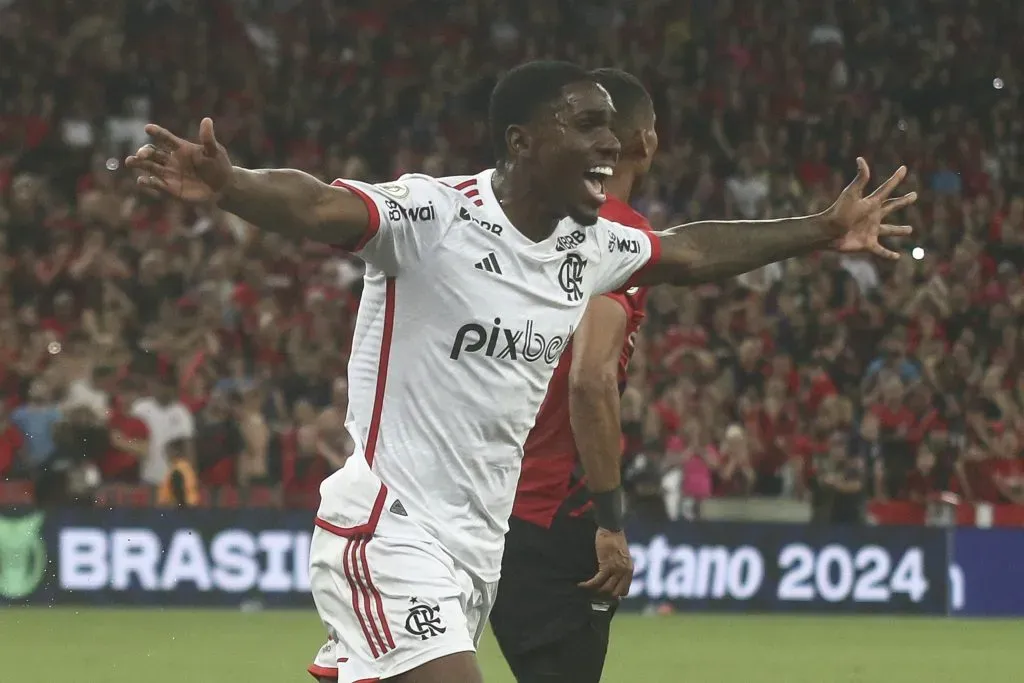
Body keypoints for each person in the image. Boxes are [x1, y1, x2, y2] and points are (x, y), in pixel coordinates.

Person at [127, 60, 915, 683]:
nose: (611, 143)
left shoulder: (590, 245)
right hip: (390, 530)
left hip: (476, 552)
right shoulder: (434, 217)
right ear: (520, 142)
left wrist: (822, 228)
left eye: (613, 126)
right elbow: (323, 208)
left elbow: (693, 251)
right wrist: (231, 186)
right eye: (586, 124)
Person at [488, 68, 657, 683]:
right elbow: (590, 377)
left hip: (493, 499)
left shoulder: (544, 217)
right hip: (555, 512)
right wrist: (610, 523)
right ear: (646, 142)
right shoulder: (617, 233)